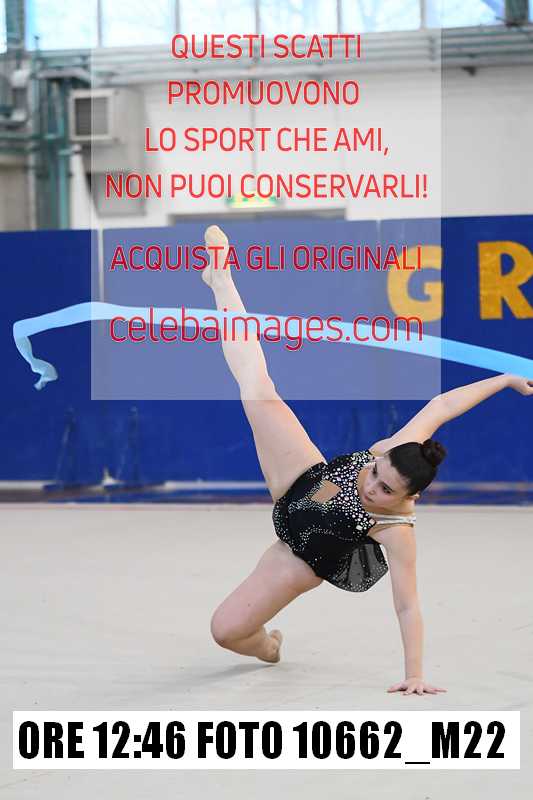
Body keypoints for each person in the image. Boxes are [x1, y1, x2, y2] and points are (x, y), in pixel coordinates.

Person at [202, 225, 533, 696]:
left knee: (225, 631)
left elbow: (407, 605)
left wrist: (415, 673)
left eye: (384, 490)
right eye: (375, 473)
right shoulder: (396, 449)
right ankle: (221, 281)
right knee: (258, 389)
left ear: (410, 498)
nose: (371, 486)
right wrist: (504, 379)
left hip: (301, 553)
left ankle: (268, 647)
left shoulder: (396, 530)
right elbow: (442, 406)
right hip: (306, 480)